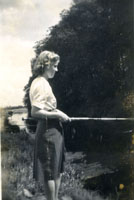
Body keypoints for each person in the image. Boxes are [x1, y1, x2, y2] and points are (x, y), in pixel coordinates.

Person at [29, 50, 70, 200]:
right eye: (55, 66)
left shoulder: (44, 83)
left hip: (54, 131)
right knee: (50, 171)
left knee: (56, 168)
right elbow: (35, 112)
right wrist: (58, 115)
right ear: (47, 65)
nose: (56, 69)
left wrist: (59, 112)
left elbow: (47, 107)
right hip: (48, 132)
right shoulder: (40, 84)